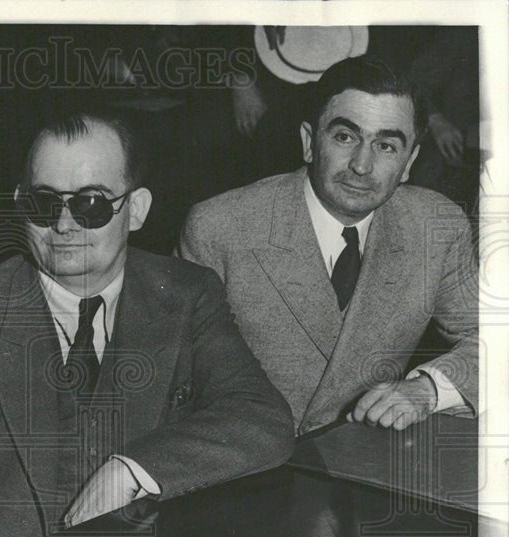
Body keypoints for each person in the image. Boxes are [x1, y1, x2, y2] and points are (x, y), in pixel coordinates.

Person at [0, 111, 295, 537]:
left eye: (91, 203)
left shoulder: (186, 294)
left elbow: (261, 416)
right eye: (44, 203)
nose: (65, 225)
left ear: (136, 209)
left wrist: (134, 468)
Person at [180, 56, 478, 435]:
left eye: (386, 146)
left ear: (409, 163)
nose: (361, 165)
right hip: (245, 465)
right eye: (344, 137)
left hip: (362, 461)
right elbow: (180, 383)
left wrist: (428, 390)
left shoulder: (434, 224)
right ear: (308, 142)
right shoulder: (219, 227)